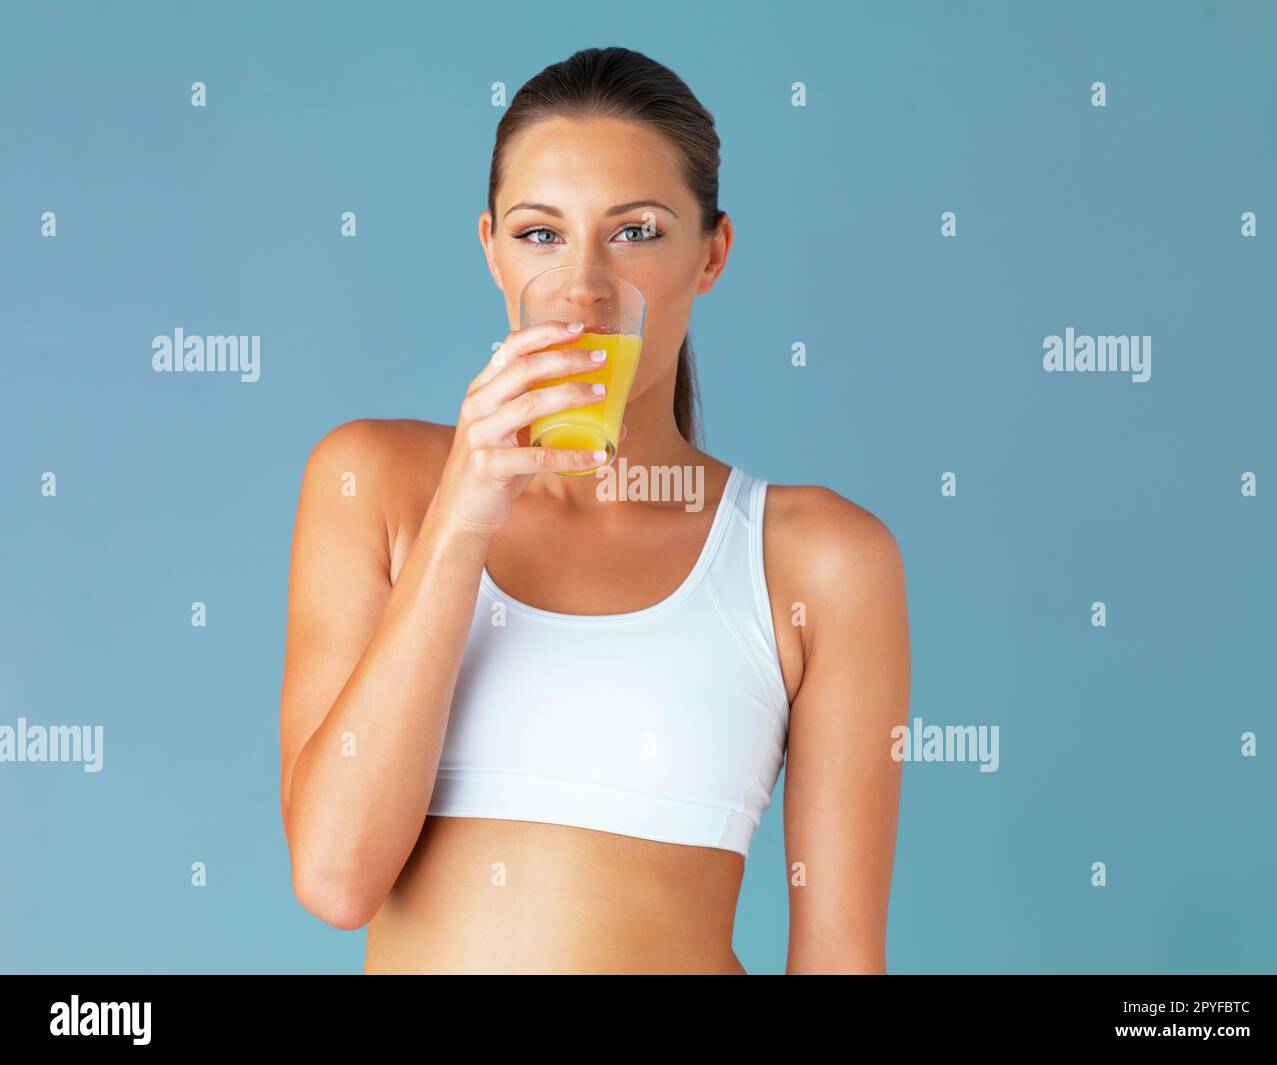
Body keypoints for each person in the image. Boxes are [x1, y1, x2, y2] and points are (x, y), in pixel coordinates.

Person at [279, 46, 910, 974]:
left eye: (637, 232)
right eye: (541, 234)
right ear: (490, 247)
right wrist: (465, 513)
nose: (583, 288)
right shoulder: (374, 482)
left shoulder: (817, 560)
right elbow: (337, 878)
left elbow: (840, 959)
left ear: (711, 254)